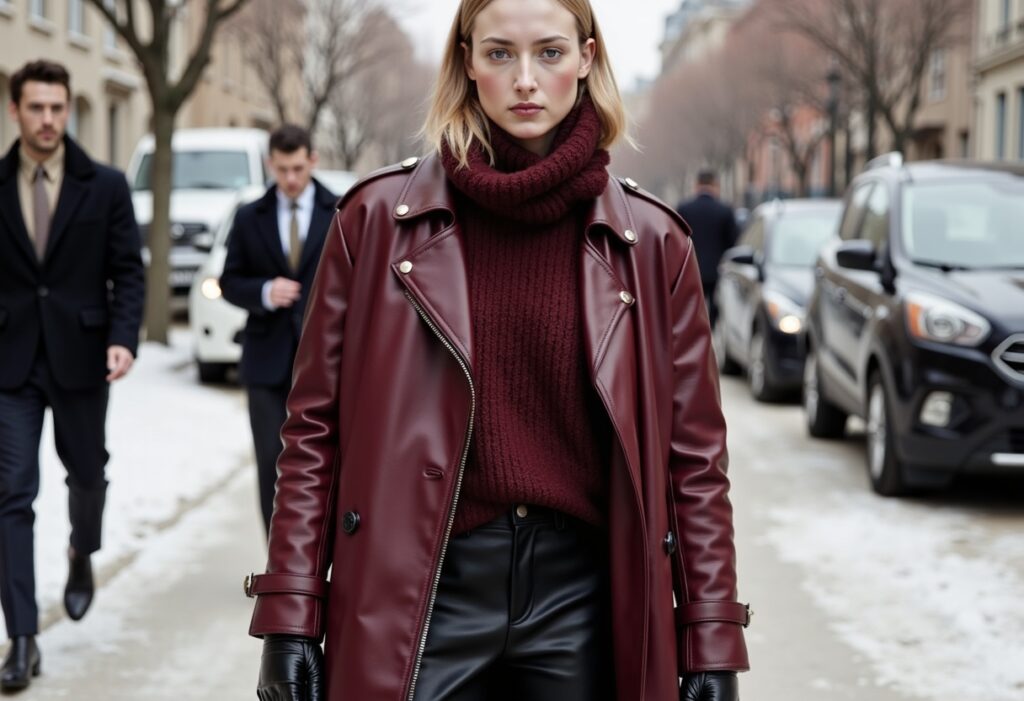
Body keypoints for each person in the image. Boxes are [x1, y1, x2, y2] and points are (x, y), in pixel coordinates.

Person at [246, 0, 750, 699]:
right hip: (424, 586)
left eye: (549, 52)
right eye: (499, 53)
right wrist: (290, 613)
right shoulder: (372, 224)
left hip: (584, 597)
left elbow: (695, 462)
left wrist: (712, 633)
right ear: (466, 61)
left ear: (587, 59)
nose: (524, 80)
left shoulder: (654, 244)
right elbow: (312, 434)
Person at [0, 60, 144, 691]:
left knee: (87, 475)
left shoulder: (105, 185)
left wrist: (122, 338)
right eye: (36, 108)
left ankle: (81, 552)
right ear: (16, 111)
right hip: (10, 364)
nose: (49, 119)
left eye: (58, 107)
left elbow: (129, 272)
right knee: (11, 494)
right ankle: (23, 637)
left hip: (84, 357)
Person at [219, 124, 337, 535]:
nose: (290, 179)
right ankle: (277, 564)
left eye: (298, 168)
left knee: (325, 462)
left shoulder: (341, 211)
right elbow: (228, 281)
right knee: (271, 461)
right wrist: (265, 291)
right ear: (270, 164)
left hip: (326, 362)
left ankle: (320, 556)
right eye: (282, 169)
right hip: (266, 362)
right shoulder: (250, 217)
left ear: (313, 161)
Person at [676, 169, 740, 326]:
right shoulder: (725, 210)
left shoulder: (684, 209)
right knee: (714, 308)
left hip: (690, 269)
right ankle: (710, 330)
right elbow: (733, 243)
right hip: (717, 270)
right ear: (715, 185)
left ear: (696, 185)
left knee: (693, 307)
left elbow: (677, 241)